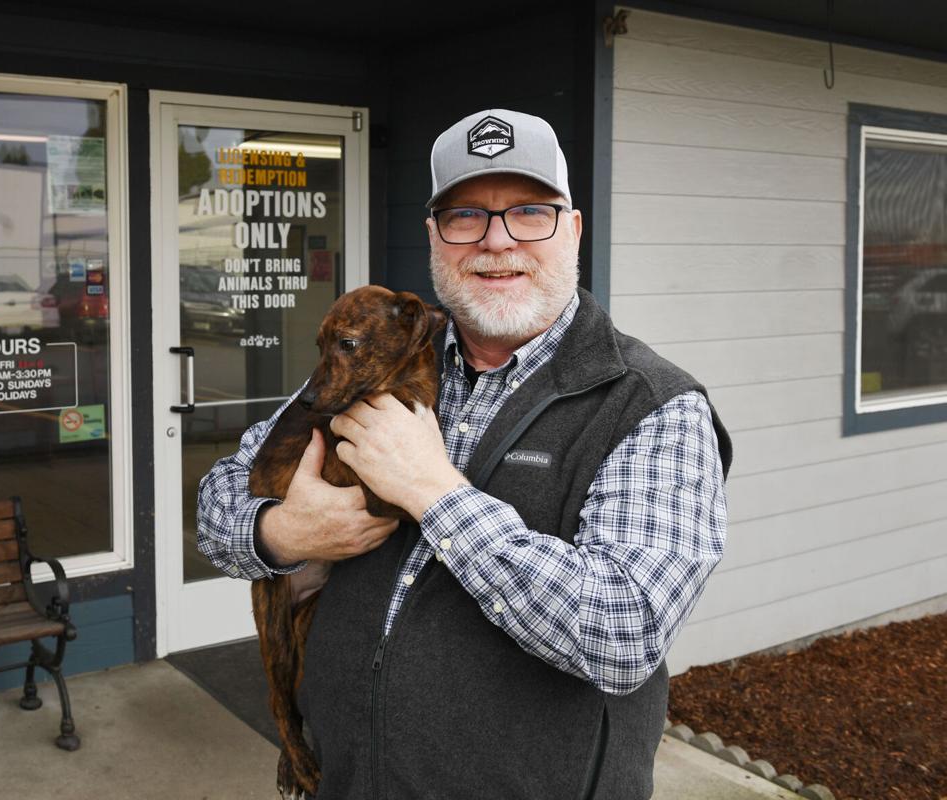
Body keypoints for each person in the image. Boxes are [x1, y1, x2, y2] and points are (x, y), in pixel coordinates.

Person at [197, 109, 732, 800]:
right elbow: (218, 502)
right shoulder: (381, 353)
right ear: (434, 238)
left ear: (572, 228)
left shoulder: (653, 405)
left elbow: (621, 633)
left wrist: (436, 493)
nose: (496, 243)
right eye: (465, 217)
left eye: (529, 212)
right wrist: (279, 532)